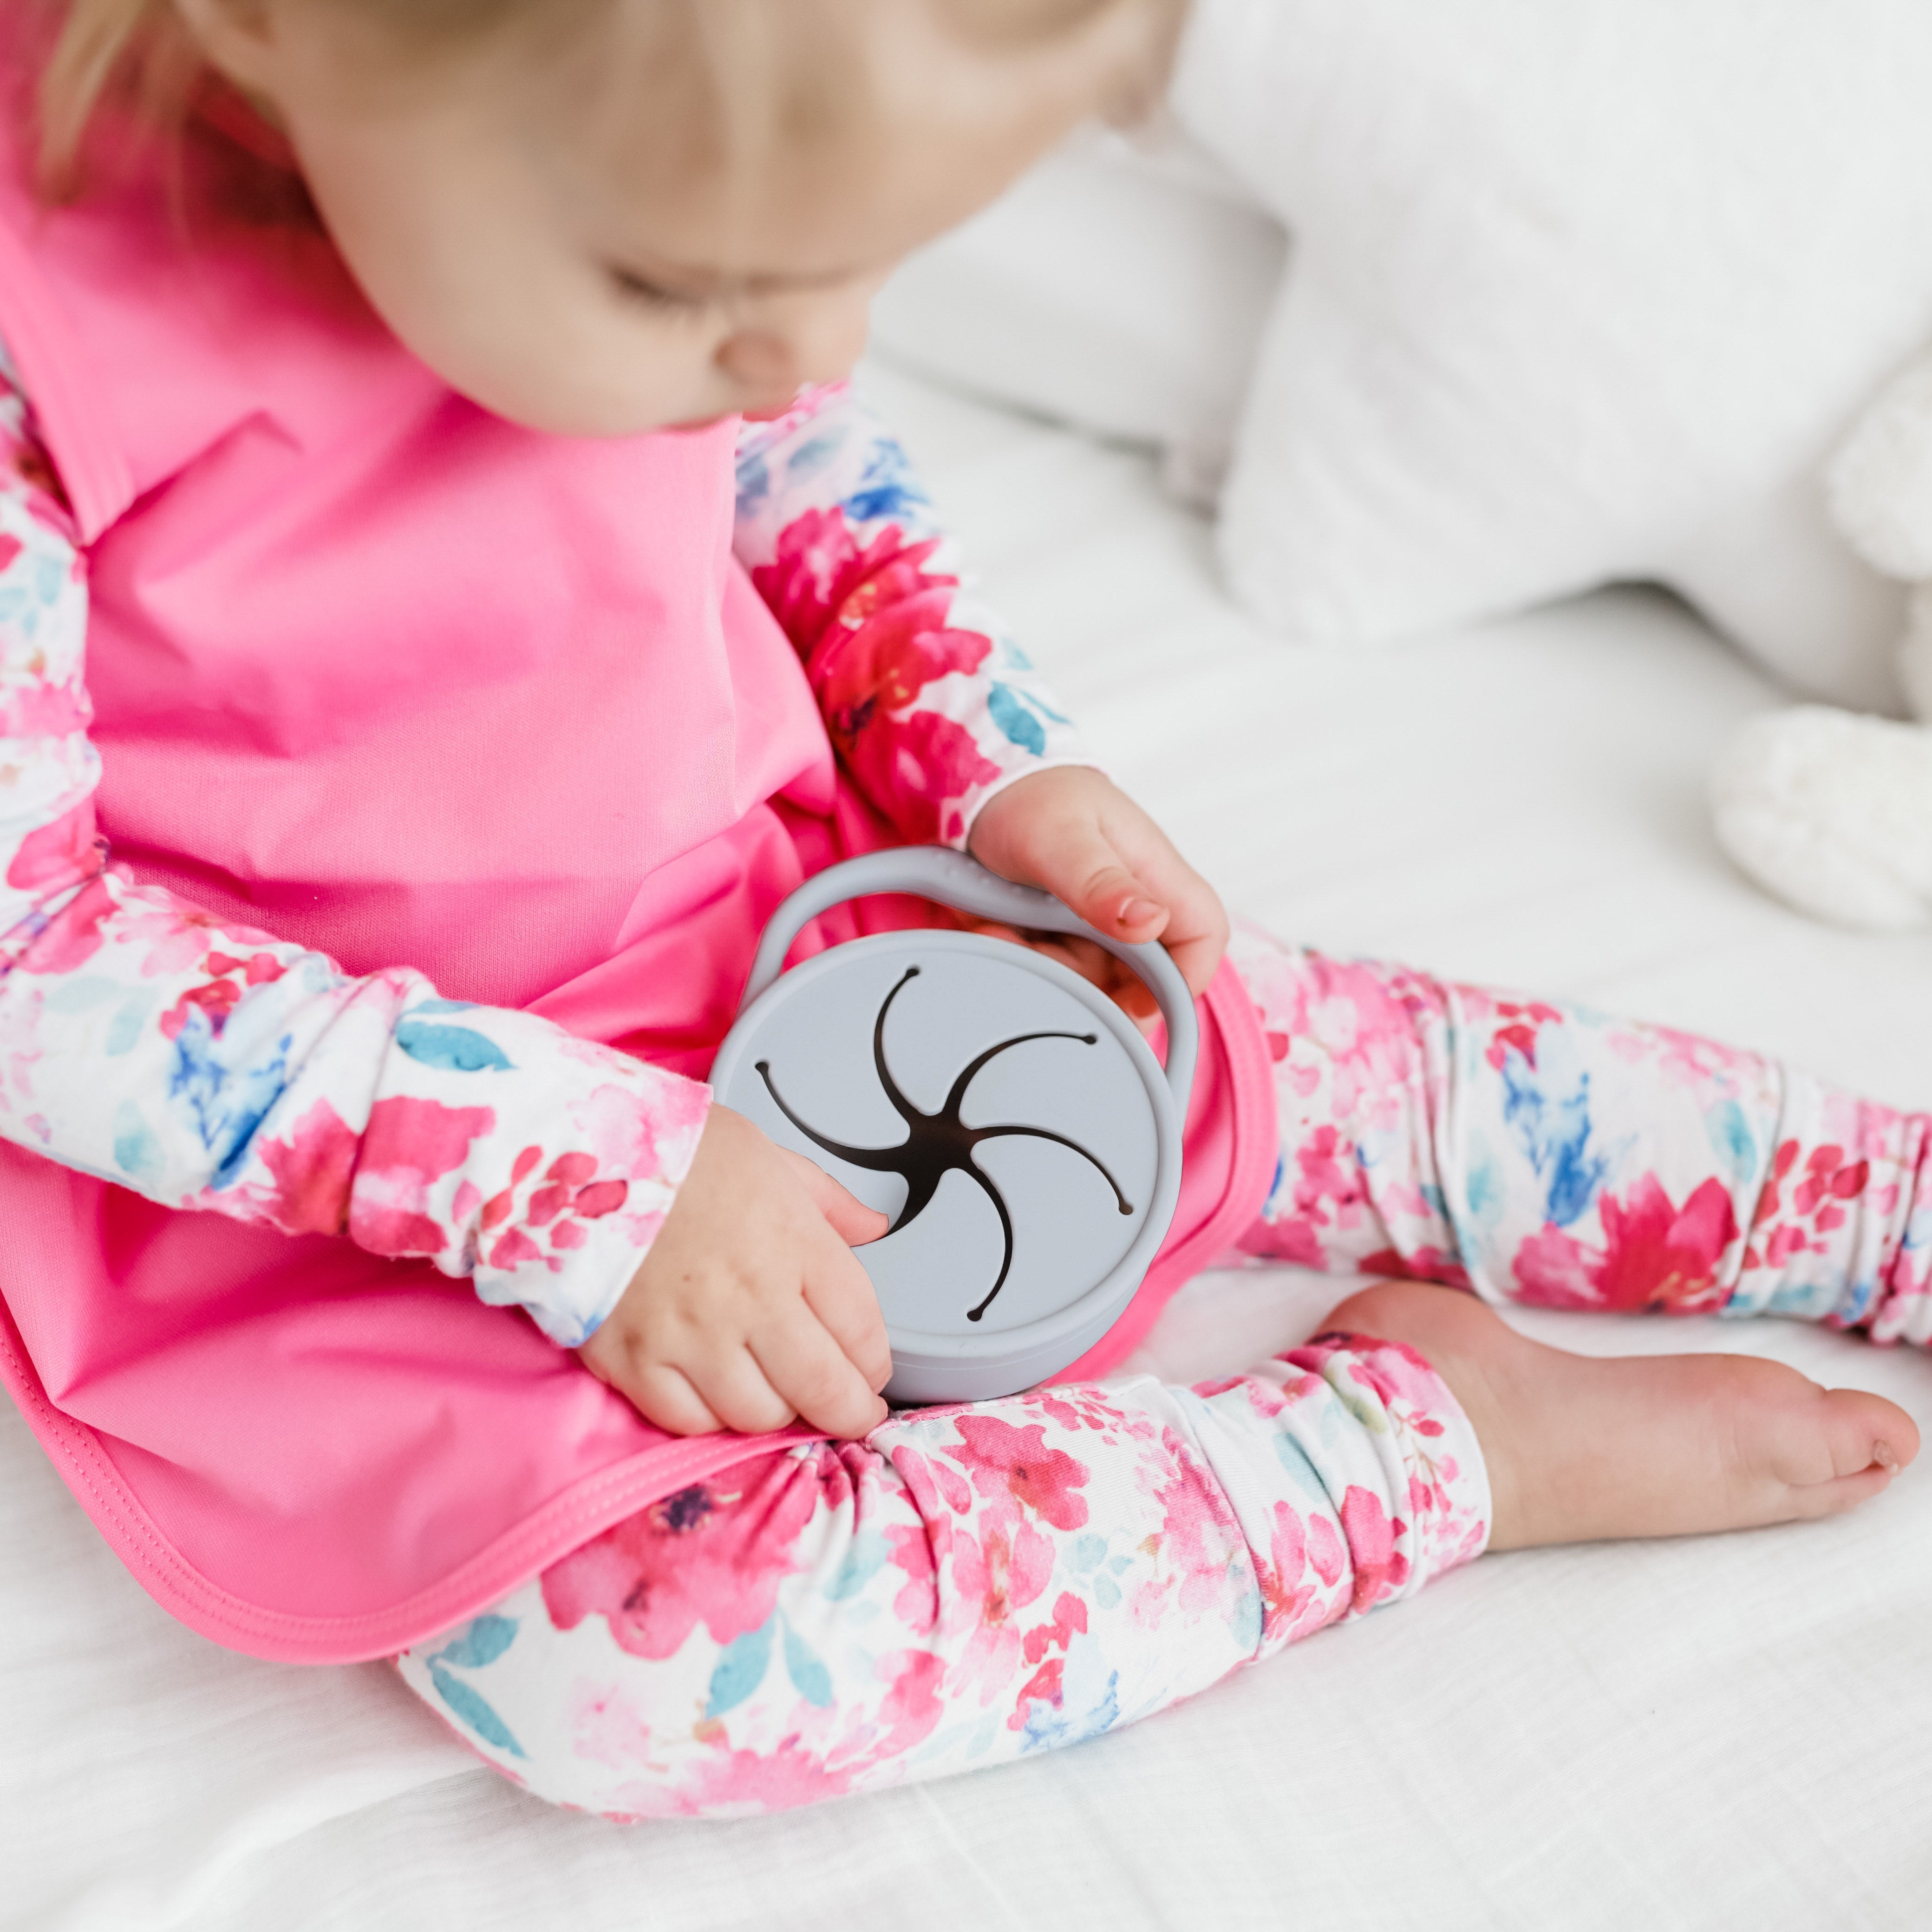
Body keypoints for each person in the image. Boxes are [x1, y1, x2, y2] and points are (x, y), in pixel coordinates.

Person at [0, 0, 1920, 1820]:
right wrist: (581, 1184)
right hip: (351, 1168)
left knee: (1272, 1047)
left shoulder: (674, 198)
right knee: (647, 1659)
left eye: (865, 270)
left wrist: (984, 760)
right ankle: (1422, 1446)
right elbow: (32, 957)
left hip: (775, 915)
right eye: (682, 288)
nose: (804, 351)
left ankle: (1881, 1202)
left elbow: (790, 457)